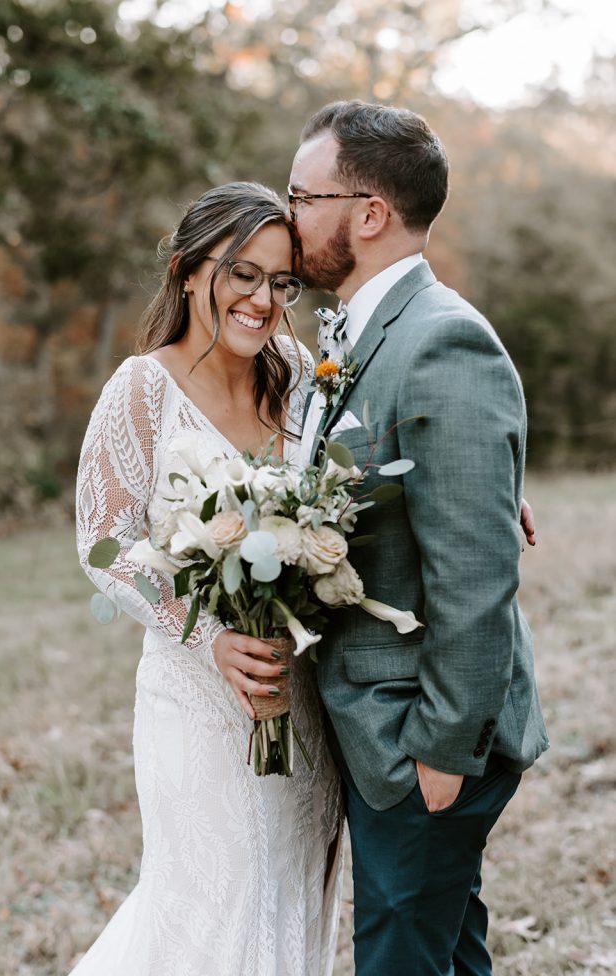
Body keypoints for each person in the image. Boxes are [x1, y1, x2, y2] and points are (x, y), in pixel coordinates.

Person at [289, 101, 549, 976]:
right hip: (387, 729)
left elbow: (476, 576)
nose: (290, 216)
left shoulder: (442, 343)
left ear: (368, 213)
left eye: (303, 194)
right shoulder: (365, 337)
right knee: (446, 955)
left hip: (423, 737)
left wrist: (439, 754)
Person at [73, 182, 343, 976]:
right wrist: (208, 631)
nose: (262, 300)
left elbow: (369, 465)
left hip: (301, 700)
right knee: (208, 911)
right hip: (197, 704)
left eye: (280, 280)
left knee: (290, 901)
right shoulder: (141, 390)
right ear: (190, 271)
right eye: (242, 274)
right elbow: (99, 544)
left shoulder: (297, 373)